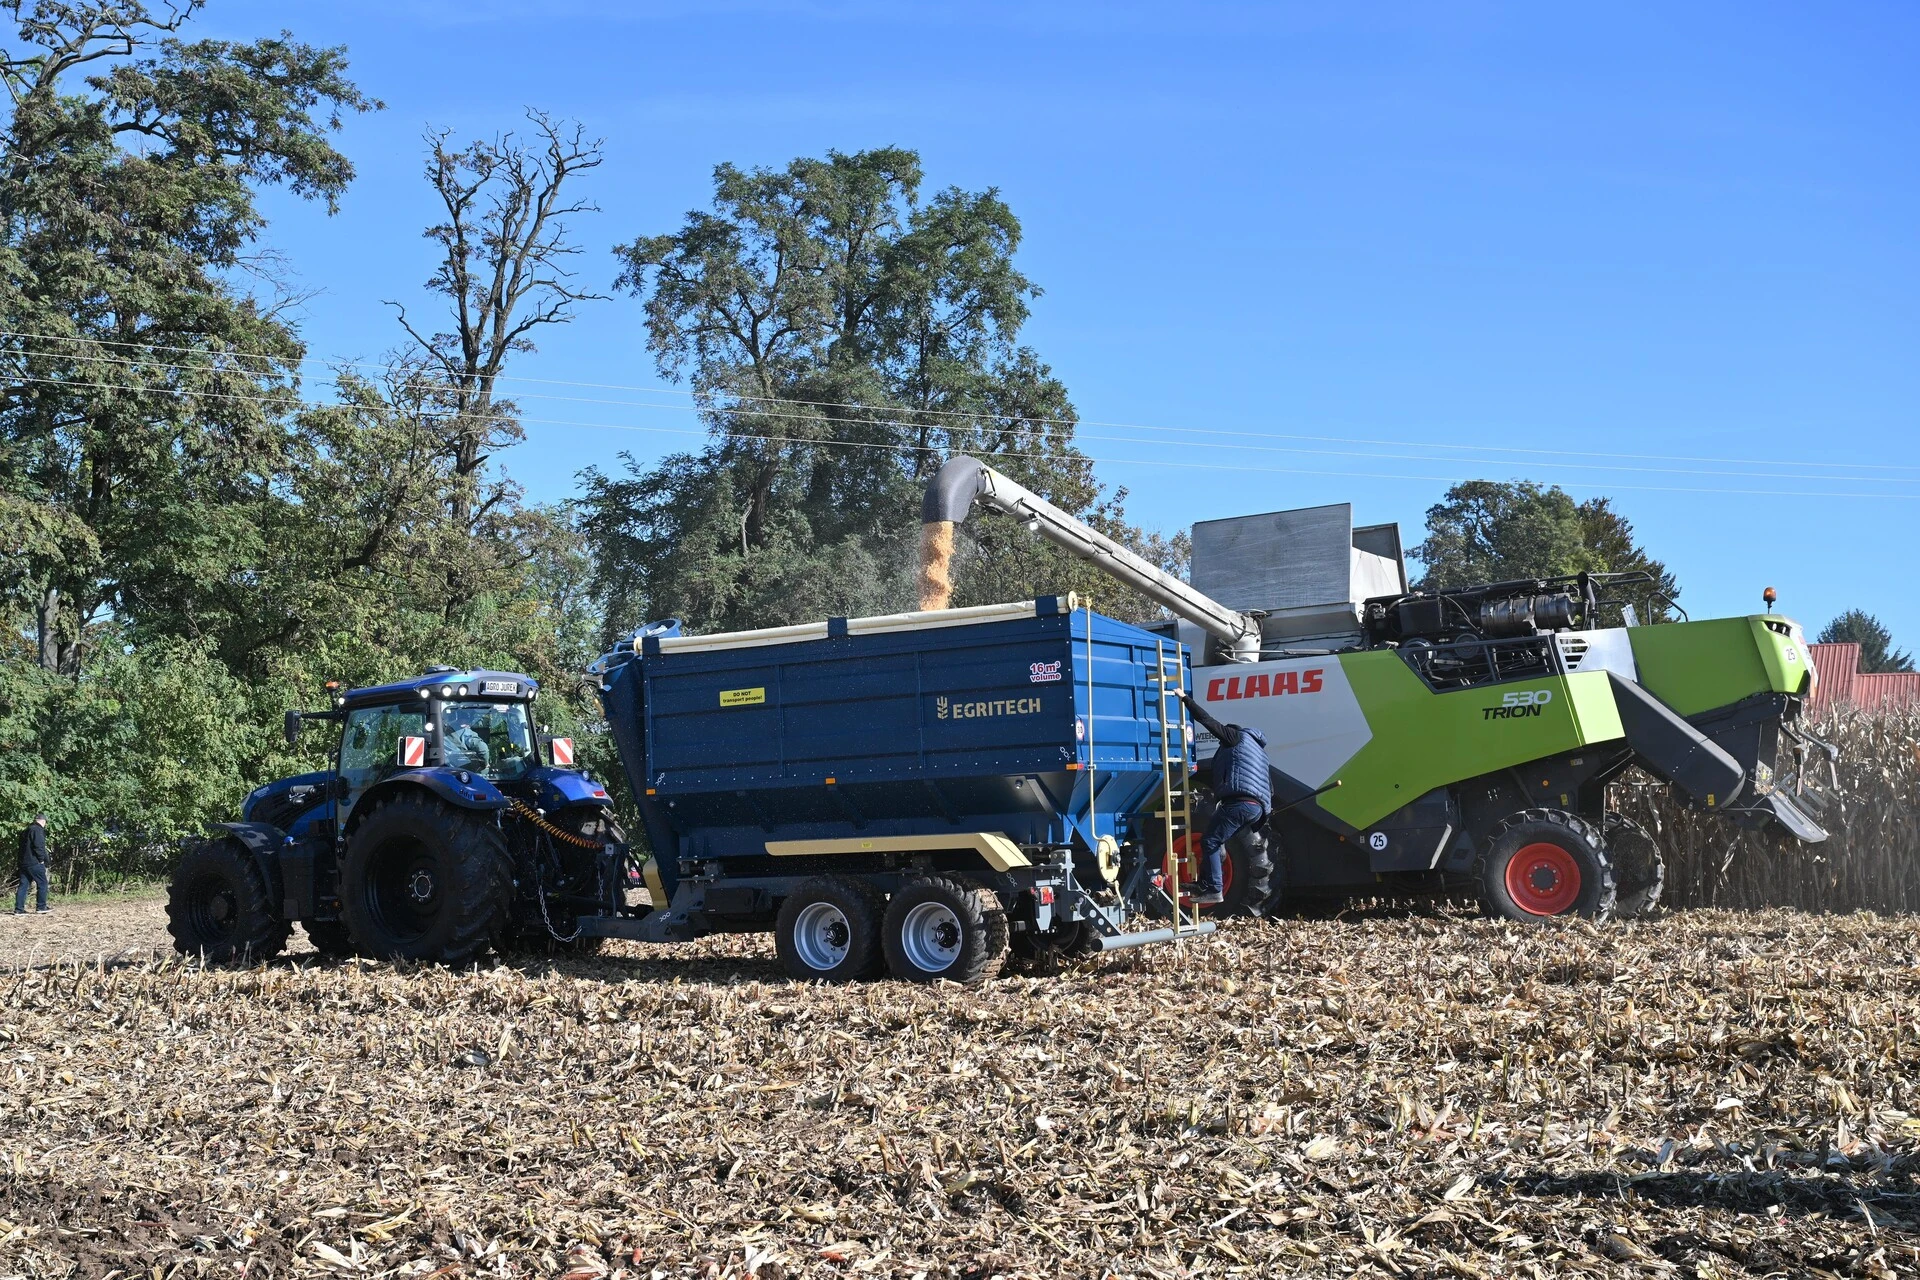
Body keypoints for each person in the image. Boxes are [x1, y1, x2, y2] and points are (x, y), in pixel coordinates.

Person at [1178, 692, 1272, 908]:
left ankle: (1213, 889)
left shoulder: (1235, 738)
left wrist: (1186, 699)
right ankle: (1204, 883)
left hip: (1239, 803)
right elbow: (1269, 787)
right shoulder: (1259, 752)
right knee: (1215, 837)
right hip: (1255, 807)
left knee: (1210, 841)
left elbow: (1207, 720)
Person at [15, 815, 50, 915]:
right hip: (34, 862)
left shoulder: (26, 830)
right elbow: (39, 846)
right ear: (43, 821)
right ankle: (41, 906)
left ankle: (19, 909)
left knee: (23, 885)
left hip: (24, 863)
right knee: (42, 883)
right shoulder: (37, 830)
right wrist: (42, 860)